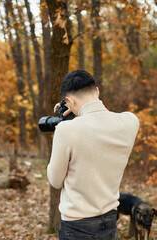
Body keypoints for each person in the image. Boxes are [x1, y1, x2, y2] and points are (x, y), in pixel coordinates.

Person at [47, 70, 139, 240]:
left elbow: (55, 181)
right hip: (110, 222)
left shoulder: (67, 130)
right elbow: (103, 119)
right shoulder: (130, 122)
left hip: (76, 227)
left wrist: (66, 124)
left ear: (68, 101)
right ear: (97, 91)